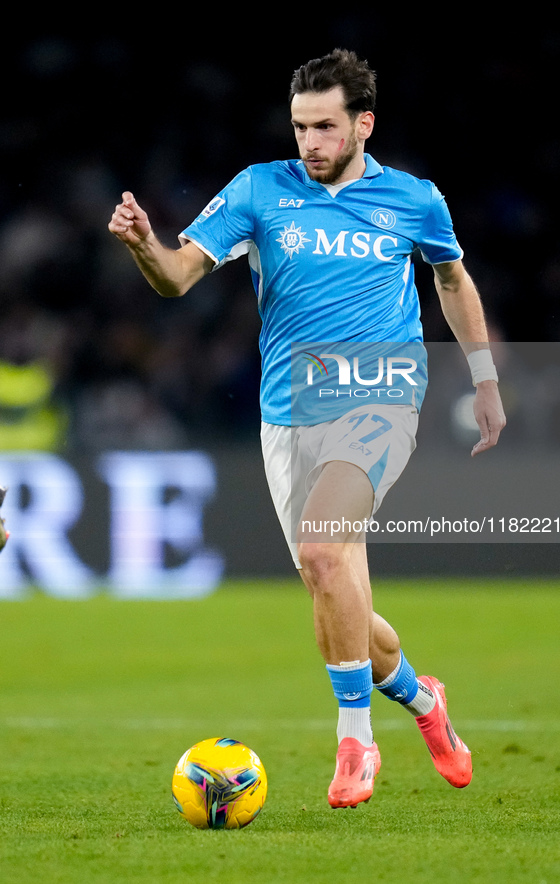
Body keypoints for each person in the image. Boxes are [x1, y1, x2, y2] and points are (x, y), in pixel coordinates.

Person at [108, 49, 506, 809]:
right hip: (288, 410)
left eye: (325, 126)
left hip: (382, 396)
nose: (310, 142)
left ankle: (354, 741)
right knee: (330, 582)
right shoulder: (261, 190)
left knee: (326, 547)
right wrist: (141, 245)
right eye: (299, 127)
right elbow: (178, 275)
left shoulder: (415, 200)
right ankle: (423, 702)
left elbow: (452, 281)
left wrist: (484, 379)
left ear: (363, 124)